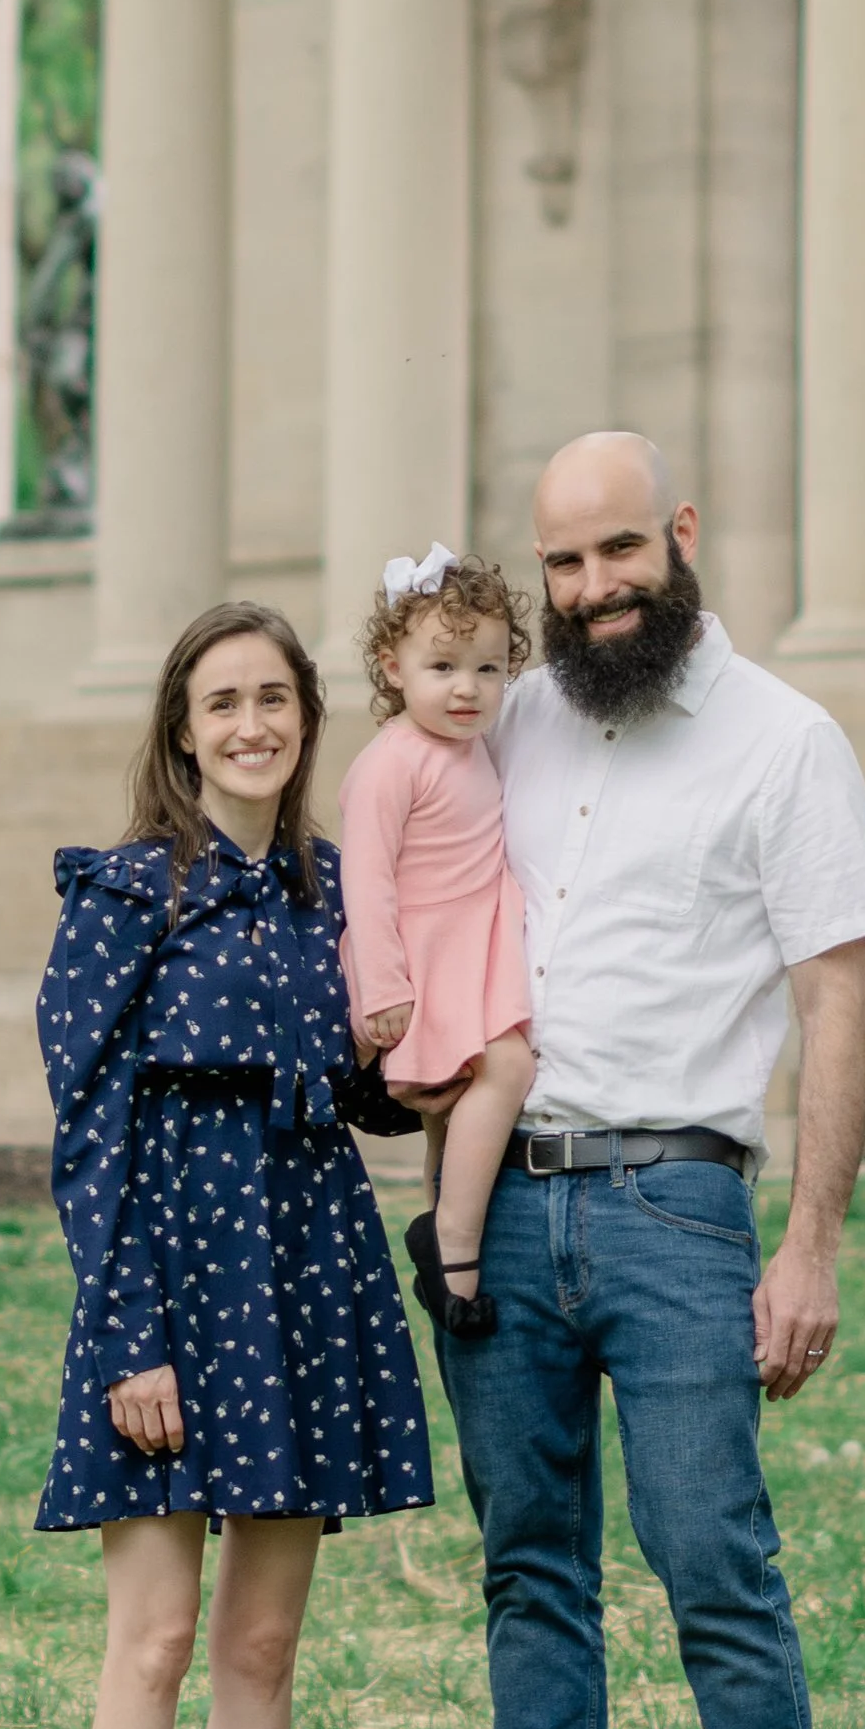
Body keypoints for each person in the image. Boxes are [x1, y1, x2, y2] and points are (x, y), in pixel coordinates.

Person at [405, 431, 865, 1729]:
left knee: (713, 1566)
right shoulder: (514, 721)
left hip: (682, 1205)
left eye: (619, 552)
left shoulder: (785, 740)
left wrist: (808, 1244)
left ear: (680, 535)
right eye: (562, 563)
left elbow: (836, 1000)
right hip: (506, 1207)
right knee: (527, 1568)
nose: (593, 590)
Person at [36, 600, 432, 1729]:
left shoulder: (339, 892)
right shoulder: (130, 892)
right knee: (154, 1636)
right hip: (170, 1280)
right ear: (183, 731)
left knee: (261, 1645)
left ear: (305, 720)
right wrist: (128, 1328)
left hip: (306, 1273)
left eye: (275, 698)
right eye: (224, 703)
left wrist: (409, 1059)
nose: (253, 723)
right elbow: (87, 1126)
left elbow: (359, 1088)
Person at [338, 542, 537, 1334]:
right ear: (393, 668)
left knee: (453, 1116)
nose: (468, 688)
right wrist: (382, 986)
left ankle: (444, 1253)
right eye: (444, 666)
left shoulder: (473, 748)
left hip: (473, 936)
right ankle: (455, 1242)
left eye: (488, 670)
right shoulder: (394, 761)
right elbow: (367, 878)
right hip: (424, 952)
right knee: (507, 1065)